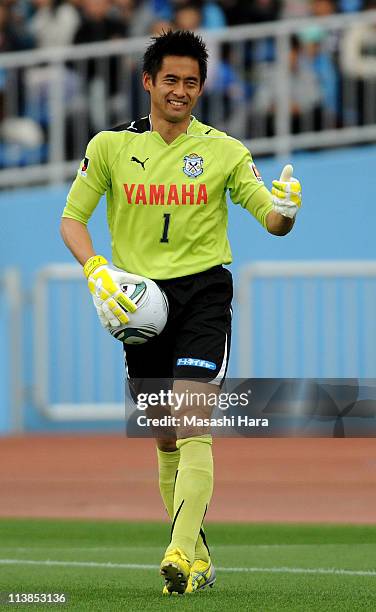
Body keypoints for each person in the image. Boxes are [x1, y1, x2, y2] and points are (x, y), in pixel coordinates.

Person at [60, 30, 302, 595]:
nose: (181, 91)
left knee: (194, 421)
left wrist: (286, 212)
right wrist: (96, 268)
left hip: (203, 295)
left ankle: (176, 549)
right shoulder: (110, 147)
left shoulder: (224, 151)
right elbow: (72, 219)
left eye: (191, 82)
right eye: (170, 80)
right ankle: (197, 554)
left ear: (202, 87)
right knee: (165, 436)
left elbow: (270, 217)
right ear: (148, 82)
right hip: (138, 304)